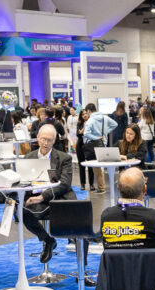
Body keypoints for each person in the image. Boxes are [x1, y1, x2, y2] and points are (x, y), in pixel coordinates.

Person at [100, 167, 155, 275]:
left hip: (117, 280)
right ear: (144, 189)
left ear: (118, 188)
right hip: (150, 282)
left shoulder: (106, 216)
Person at [21, 124, 76, 263]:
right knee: (20, 211)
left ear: (54, 140)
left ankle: (81, 263)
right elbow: (23, 181)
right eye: (43, 139)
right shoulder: (28, 157)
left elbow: (65, 184)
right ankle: (47, 240)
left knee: (76, 216)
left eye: (49, 140)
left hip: (58, 197)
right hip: (35, 198)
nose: (46, 143)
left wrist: (41, 197)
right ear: (38, 138)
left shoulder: (64, 158)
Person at [81, 103, 116, 193]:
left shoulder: (90, 120)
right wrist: (105, 133)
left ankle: (101, 187)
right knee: (101, 166)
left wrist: (96, 138)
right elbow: (115, 124)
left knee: (96, 167)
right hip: (103, 143)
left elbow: (86, 134)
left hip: (93, 145)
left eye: (87, 112)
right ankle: (102, 186)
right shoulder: (105, 117)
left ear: (89, 111)